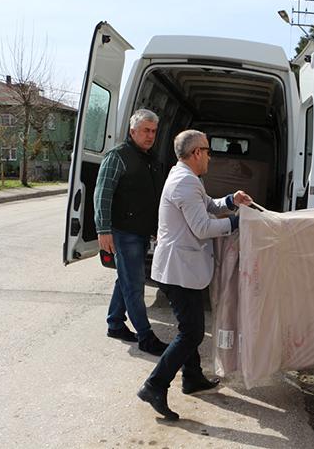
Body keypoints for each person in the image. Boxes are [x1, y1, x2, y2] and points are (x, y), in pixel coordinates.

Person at [137, 129, 252, 421]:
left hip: (184, 267)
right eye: (208, 150)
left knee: (191, 327)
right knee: (191, 333)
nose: (210, 156)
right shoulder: (184, 183)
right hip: (179, 269)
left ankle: (192, 377)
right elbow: (202, 227)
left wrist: (230, 201)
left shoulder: (189, 179)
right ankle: (155, 384)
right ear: (197, 153)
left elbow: (208, 207)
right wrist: (237, 223)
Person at [94, 108, 169, 356]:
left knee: (125, 279)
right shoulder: (118, 156)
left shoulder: (150, 158)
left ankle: (115, 323)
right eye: (146, 131)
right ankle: (146, 336)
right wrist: (103, 229)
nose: (150, 136)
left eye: (154, 131)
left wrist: (158, 228)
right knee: (134, 283)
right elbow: (102, 194)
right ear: (132, 130)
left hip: (140, 231)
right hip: (122, 231)